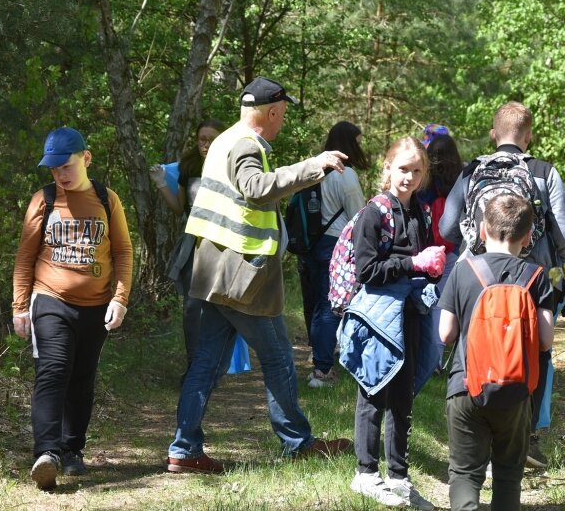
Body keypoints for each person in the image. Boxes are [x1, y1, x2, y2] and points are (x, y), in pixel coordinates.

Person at [165, 77, 352, 473]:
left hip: (215, 268)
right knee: (280, 358)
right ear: (270, 112)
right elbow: (255, 188)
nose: (282, 121)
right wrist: (312, 166)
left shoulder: (225, 141)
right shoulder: (247, 146)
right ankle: (298, 443)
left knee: (207, 363)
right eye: (282, 114)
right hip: (242, 275)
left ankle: (184, 449)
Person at [439, 101, 565, 468]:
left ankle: (476, 428)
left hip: (479, 276)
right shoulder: (543, 172)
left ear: (492, 133)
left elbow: (446, 227)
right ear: (528, 136)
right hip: (530, 275)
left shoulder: (471, 171)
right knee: (535, 349)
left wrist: (476, 244)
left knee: (473, 343)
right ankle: (527, 436)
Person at [12, 127, 133, 490]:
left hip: (96, 305)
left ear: (86, 158)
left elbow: (123, 252)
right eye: (53, 170)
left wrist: (120, 297)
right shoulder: (44, 200)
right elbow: (25, 256)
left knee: (81, 379)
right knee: (53, 369)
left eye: (66, 166)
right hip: (50, 299)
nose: (60, 175)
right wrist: (20, 307)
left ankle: (72, 450)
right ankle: (46, 453)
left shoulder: (106, 199)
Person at [340, 137, 444, 510]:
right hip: (377, 318)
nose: (410, 177)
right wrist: (413, 265)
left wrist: (431, 268)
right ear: (387, 168)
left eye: (417, 171)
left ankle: (399, 477)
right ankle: (366, 472)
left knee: (403, 399)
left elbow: (426, 261)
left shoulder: (421, 212)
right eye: (403, 169)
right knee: (373, 392)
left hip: (410, 315)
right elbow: (367, 271)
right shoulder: (374, 213)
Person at [438, 194, 555, 511]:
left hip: (465, 386)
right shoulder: (537, 277)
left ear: (481, 231)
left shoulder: (463, 272)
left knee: (464, 472)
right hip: (516, 393)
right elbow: (545, 341)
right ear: (528, 236)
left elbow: (445, 333)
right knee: (507, 474)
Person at [149, 119, 223, 377]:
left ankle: (213, 365)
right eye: (202, 138)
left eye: (211, 138)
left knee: (218, 306)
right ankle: (193, 364)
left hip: (223, 245)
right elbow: (180, 208)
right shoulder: (188, 166)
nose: (205, 144)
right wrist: (160, 183)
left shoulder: (230, 165)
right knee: (192, 307)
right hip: (194, 242)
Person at [304, 121, 369, 388]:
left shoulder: (318, 171)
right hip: (336, 245)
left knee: (319, 305)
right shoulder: (345, 174)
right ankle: (322, 370)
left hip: (315, 243)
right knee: (332, 306)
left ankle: (319, 361)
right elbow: (358, 215)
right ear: (349, 142)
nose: (361, 146)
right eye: (358, 140)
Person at [417, 131, 464, 371]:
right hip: (451, 252)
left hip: (423, 253)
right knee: (442, 307)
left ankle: (416, 355)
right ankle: (434, 362)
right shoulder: (461, 180)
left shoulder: (422, 184)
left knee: (420, 304)